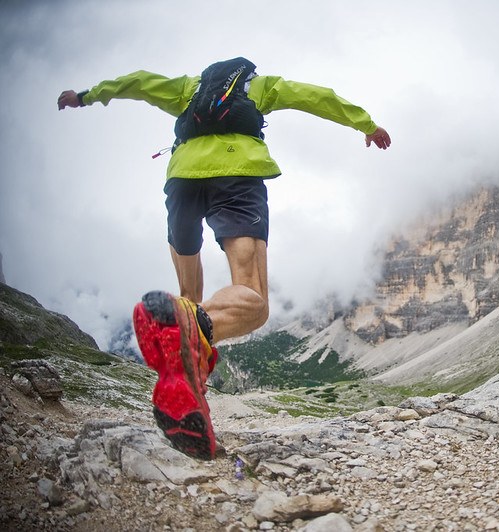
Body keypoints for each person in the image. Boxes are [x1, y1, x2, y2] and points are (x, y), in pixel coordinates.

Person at [57, 58, 391, 460]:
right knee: (252, 298)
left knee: (187, 297)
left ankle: (188, 372)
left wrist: (88, 96)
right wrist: (366, 124)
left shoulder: (187, 89)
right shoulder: (261, 86)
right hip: (237, 176)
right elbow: (316, 97)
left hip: (182, 180)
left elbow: (140, 82)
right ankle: (193, 338)